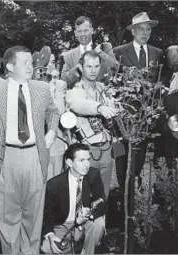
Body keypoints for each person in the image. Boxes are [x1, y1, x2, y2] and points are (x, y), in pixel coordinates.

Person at [0, 46, 59, 254]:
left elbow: (53, 112)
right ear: (10, 66)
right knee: (6, 215)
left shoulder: (41, 88)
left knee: (33, 215)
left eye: (31, 62)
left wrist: (52, 131)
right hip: (4, 157)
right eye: (25, 62)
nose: (31, 66)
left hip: (35, 156)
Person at [113, 12, 163, 189]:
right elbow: (113, 82)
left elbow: (159, 80)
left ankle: (134, 187)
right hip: (125, 115)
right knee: (123, 155)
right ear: (133, 31)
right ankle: (122, 190)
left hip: (146, 117)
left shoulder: (157, 53)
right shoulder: (118, 52)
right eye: (141, 29)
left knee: (139, 155)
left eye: (148, 29)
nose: (145, 33)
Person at [66, 50, 117, 199]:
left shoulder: (104, 90)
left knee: (103, 196)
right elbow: (79, 104)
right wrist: (99, 108)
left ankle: (102, 221)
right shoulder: (74, 91)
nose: (93, 70)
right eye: (89, 66)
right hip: (85, 151)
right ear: (81, 68)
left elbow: (114, 109)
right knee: (83, 198)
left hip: (106, 149)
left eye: (96, 66)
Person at [41, 143, 106, 254]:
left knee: (98, 224)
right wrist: (51, 235)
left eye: (88, 160)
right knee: (47, 247)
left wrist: (89, 214)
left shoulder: (93, 175)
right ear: (70, 162)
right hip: (64, 224)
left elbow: (102, 202)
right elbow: (47, 215)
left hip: (86, 223)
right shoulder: (54, 184)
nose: (87, 165)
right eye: (81, 160)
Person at [61, 16, 118, 88]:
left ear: (91, 30)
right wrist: (77, 69)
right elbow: (63, 82)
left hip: (102, 96)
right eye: (79, 31)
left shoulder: (105, 48)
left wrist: (100, 53)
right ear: (75, 33)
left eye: (86, 30)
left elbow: (116, 68)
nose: (82, 34)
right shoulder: (68, 55)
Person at [47, 69, 67, 180]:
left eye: (55, 77)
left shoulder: (60, 88)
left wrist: (57, 91)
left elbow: (60, 110)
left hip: (58, 144)